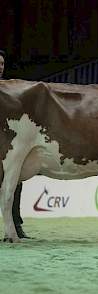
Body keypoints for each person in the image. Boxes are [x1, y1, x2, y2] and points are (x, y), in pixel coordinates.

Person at [0, 50, 29, 238]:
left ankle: (16, 225)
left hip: (6, 144)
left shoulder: (10, 89)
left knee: (15, 183)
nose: (0, 67)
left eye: (2, 64)